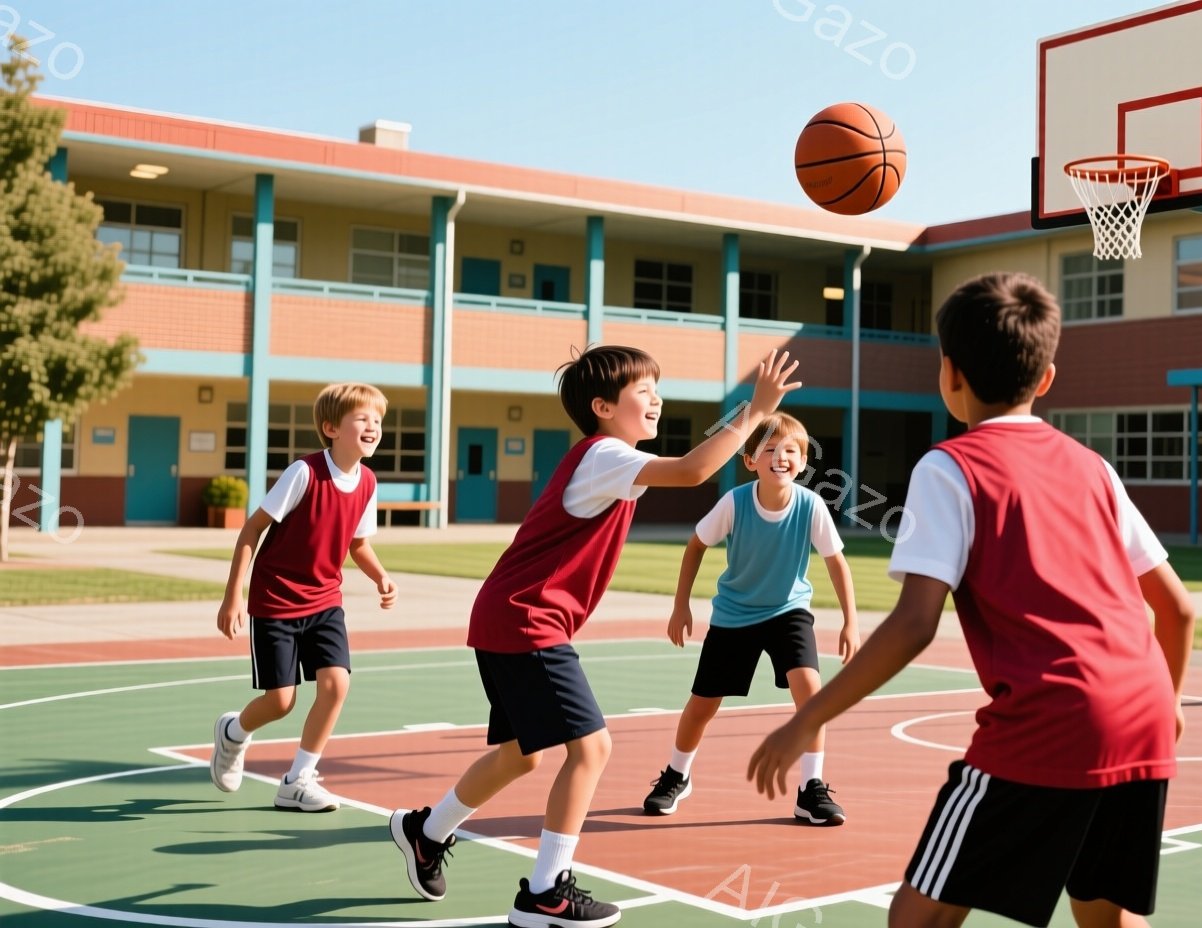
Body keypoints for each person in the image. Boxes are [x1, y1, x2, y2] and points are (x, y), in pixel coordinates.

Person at [748, 272, 1195, 928]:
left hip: (1051, 717)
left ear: (948, 373)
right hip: (1143, 712)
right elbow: (1177, 609)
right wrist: (1172, 706)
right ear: (1046, 378)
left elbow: (914, 625)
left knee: (920, 917)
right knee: (1108, 914)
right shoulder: (1094, 467)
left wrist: (806, 718)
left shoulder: (950, 467)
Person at [390, 346, 800, 928]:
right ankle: (544, 892)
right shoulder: (605, 454)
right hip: (525, 617)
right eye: (642, 390)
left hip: (512, 617)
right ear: (603, 407)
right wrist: (754, 413)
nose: (656, 397)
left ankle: (424, 834)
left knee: (520, 756)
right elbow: (691, 471)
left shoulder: (613, 460)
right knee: (592, 747)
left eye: (658, 386)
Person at [644, 412, 860, 824]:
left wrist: (851, 621)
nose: (781, 457)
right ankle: (677, 774)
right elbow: (695, 546)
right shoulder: (735, 502)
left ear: (802, 462)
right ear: (750, 460)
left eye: (791, 451)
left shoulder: (811, 505)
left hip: (788, 611)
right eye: (770, 450)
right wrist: (680, 604)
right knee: (702, 705)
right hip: (735, 614)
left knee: (811, 695)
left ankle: (810, 789)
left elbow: (836, 564)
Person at [210, 382, 399, 814]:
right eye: (363, 418)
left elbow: (358, 544)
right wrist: (232, 596)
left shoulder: (368, 482)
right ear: (331, 428)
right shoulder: (304, 473)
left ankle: (297, 780)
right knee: (281, 701)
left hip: (325, 601)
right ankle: (234, 733)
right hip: (276, 600)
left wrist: (380, 576)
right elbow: (251, 530)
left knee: (336, 685)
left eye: (378, 420)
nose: (374, 426)